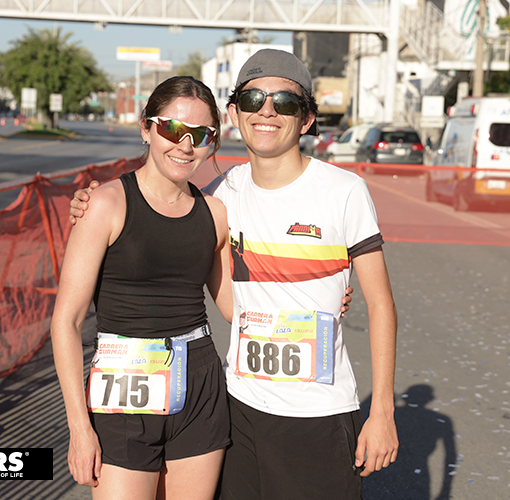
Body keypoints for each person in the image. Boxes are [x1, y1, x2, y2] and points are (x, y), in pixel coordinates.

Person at [70, 50, 394, 500]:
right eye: (253, 99)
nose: (267, 111)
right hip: (239, 409)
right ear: (236, 113)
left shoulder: (342, 191)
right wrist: (90, 203)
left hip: (316, 412)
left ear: (306, 119)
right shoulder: (221, 195)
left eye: (284, 103)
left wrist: (383, 411)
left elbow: (381, 304)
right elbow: (166, 222)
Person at [52, 76, 234, 500]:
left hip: (200, 387)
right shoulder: (104, 205)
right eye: (173, 128)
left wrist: (319, 292)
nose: (185, 145)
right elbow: (66, 321)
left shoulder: (215, 214)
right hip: (123, 389)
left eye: (200, 135)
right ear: (146, 128)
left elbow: (235, 308)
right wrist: (79, 428)